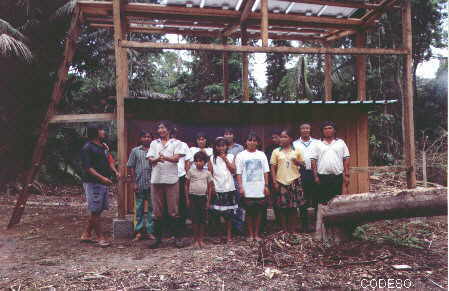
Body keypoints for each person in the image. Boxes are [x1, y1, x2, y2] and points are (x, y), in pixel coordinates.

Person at [146, 121, 186, 248]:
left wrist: (165, 158)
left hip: (172, 179)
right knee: (157, 211)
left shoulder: (176, 143)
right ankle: (157, 239)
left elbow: (176, 158)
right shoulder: (154, 143)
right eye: (159, 128)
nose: (160, 130)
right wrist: (158, 159)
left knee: (173, 210)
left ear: (168, 130)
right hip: (156, 179)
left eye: (163, 128)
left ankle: (177, 238)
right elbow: (150, 159)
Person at [80, 125, 119, 247]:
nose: (104, 132)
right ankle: (100, 237)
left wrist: (115, 172)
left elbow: (110, 160)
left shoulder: (103, 146)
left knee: (98, 210)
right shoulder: (87, 148)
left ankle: (86, 234)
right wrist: (102, 178)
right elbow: (88, 168)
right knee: (95, 210)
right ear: (96, 132)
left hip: (103, 182)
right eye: (101, 130)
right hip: (93, 182)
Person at [236, 132, 270, 242]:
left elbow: (266, 171)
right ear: (246, 142)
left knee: (259, 212)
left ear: (258, 142)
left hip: (259, 188)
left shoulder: (262, 154)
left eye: (254, 140)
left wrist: (266, 185)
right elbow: (239, 173)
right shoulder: (241, 155)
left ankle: (257, 234)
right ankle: (250, 234)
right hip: (247, 188)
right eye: (249, 140)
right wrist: (240, 187)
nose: (252, 142)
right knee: (249, 212)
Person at [271, 128, 305, 234]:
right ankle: (284, 230)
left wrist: (297, 161)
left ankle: (293, 230)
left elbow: (303, 165)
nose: (282, 139)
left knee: (293, 208)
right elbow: (272, 167)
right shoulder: (276, 151)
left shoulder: (297, 150)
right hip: (281, 181)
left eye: (285, 136)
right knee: (282, 208)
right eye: (281, 136)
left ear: (290, 139)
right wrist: (274, 181)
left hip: (294, 181)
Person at [311, 121, 350, 205]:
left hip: (337, 177)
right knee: (322, 201)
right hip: (322, 177)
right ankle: (323, 218)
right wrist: (315, 176)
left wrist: (347, 174)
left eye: (330, 128)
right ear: (322, 131)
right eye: (325, 128)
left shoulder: (341, 142)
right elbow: (313, 161)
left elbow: (346, 158)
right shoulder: (317, 143)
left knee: (336, 201)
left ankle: (336, 217)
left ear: (334, 130)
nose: (327, 130)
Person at [208, 137, 238, 243]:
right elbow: (210, 174)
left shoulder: (230, 156)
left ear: (227, 146)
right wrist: (212, 187)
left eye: (223, 145)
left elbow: (233, 170)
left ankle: (229, 236)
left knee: (228, 215)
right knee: (217, 214)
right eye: (219, 146)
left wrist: (225, 159)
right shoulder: (212, 158)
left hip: (229, 188)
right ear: (215, 147)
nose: (221, 148)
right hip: (218, 188)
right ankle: (220, 236)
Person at [127, 131, 154, 241]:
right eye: (144, 137)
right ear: (140, 139)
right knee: (139, 208)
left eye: (149, 137)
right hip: (139, 183)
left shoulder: (154, 150)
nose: (147, 139)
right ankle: (138, 232)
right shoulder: (135, 151)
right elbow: (131, 166)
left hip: (152, 184)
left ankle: (150, 231)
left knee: (152, 209)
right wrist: (134, 182)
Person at [293, 123, 319, 232]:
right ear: (300, 130)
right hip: (301, 173)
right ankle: (304, 225)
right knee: (302, 199)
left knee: (316, 198)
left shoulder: (317, 142)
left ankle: (317, 224)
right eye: (303, 128)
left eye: (307, 128)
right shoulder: (294, 144)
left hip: (314, 172)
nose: (305, 130)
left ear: (310, 129)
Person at [185, 151, 213, 248]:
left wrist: (208, 201)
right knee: (195, 219)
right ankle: (195, 240)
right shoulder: (191, 172)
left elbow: (210, 188)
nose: (198, 163)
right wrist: (187, 199)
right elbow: (186, 185)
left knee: (202, 220)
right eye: (196, 161)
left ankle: (201, 239)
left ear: (205, 162)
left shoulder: (207, 173)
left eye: (201, 161)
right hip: (193, 197)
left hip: (203, 198)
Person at [223, 128, 245, 234]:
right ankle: (227, 229)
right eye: (226, 134)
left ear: (234, 136)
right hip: (224, 179)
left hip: (236, 178)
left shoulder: (239, 148)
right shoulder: (220, 147)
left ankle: (239, 228)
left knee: (238, 203)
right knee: (226, 204)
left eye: (230, 134)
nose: (228, 136)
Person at [172, 127, 191, 232]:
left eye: (175, 133)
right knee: (170, 203)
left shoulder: (183, 145)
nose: (174, 135)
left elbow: (188, 161)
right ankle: (170, 228)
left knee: (182, 202)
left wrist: (187, 174)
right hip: (168, 177)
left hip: (181, 176)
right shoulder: (165, 145)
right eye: (172, 133)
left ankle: (181, 228)